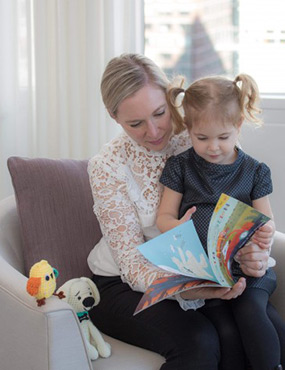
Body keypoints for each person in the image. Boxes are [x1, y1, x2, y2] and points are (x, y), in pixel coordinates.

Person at [87, 53, 281, 370]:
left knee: (260, 325)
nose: (153, 131)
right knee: (200, 341)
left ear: (171, 100)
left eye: (160, 113)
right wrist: (198, 289)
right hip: (123, 282)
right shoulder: (107, 166)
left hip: (203, 270)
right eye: (135, 123)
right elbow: (131, 264)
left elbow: (247, 213)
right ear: (114, 117)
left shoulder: (203, 132)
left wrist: (255, 254)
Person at [156, 73, 285, 370]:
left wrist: (260, 236)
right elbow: (164, 217)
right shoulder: (180, 167)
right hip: (207, 274)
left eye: (223, 137)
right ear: (188, 129)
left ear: (238, 126)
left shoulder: (254, 171)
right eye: (202, 138)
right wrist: (180, 227)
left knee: (251, 312)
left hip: (247, 269)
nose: (213, 147)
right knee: (226, 332)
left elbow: (267, 223)